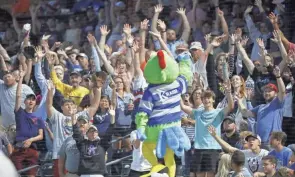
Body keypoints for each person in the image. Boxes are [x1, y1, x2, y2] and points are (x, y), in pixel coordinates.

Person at [181, 82, 234, 177]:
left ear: (213, 100)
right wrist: (176, 93)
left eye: (208, 98)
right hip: (199, 149)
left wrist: (229, 92)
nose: (206, 100)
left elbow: (231, 106)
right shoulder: (197, 112)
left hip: (213, 149)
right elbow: (183, 107)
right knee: (198, 175)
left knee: (211, 175)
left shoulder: (219, 113)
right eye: (204, 98)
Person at [238, 66, 286, 150]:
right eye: (265, 91)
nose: (267, 93)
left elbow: (282, 91)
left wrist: (278, 77)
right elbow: (245, 113)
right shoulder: (260, 107)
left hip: (273, 142)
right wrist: (239, 100)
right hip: (260, 143)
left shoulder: (278, 103)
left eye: (269, 91)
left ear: (275, 93)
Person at [11, 69, 45, 177]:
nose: (30, 101)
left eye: (33, 100)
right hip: (19, 149)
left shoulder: (38, 118)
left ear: (35, 103)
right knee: (16, 174)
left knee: (32, 175)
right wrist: (20, 78)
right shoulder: (19, 112)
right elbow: (18, 96)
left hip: (32, 150)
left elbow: (40, 136)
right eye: (28, 99)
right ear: (24, 102)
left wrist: (30, 140)